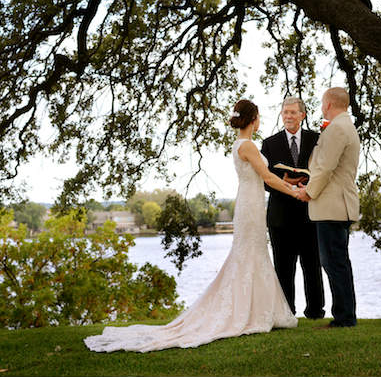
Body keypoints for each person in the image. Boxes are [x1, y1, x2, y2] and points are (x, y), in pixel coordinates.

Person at [84, 99, 299, 353]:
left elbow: (265, 174)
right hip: (250, 206)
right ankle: (252, 312)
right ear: (254, 120)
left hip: (249, 203)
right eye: (259, 117)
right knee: (249, 254)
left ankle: (258, 310)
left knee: (254, 254)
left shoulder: (240, 144)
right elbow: (267, 177)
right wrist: (294, 191)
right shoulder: (248, 145)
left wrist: (285, 181)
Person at [296, 87, 360, 328]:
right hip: (339, 203)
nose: (322, 108)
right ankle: (345, 314)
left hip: (333, 205)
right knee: (337, 261)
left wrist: (308, 192)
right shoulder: (345, 127)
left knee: (334, 262)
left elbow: (325, 167)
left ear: (330, 104)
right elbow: (324, 166)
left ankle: (344, 317)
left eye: (323, 103)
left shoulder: (337, 128)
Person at [261, 97, 325, 319]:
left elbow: (324, 170)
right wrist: (286, 182)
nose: (287, 116)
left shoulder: (317, 139)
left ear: (302, 115)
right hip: (281, 218)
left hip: (311, 214)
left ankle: (316, 312)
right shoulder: (269, 143)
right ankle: (286, 313)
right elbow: (263, 181)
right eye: (284, 112)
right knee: (284, 269)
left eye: (292, 112)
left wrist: (309, 183)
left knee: (313, 266)